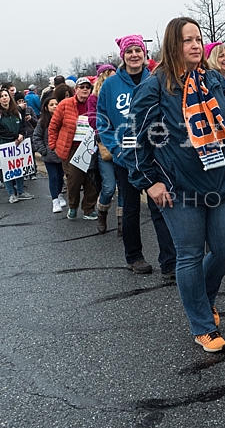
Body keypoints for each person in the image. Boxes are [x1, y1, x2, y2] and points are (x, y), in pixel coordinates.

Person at [126, 17, 225, 352]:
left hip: (220, 179)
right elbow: (135, 140)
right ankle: (202, 325)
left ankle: (201, 299)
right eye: (187, 40)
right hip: (177, 188)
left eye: (198, 39)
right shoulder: (153, 87)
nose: (195, 45)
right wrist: (149, 182)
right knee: (190, 254)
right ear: (172, 45)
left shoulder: (214, 80)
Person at [98, 35, 177, 277]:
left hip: (154, 154)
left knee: (160, 206)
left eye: (138, 50)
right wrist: (115, 148)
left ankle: (170, 262)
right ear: (123, 56)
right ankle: (134, 256)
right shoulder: (111, 86)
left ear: (145, 54)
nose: (134, 55)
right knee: (130, 208)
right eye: (129, 51)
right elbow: (103, 120)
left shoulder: (157, 80)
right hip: (125, 157)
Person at [48, 76, 98, 220]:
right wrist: (53, 146)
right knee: (74, 179)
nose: (85, 90)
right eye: (81, 87)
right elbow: (53, 127)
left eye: (87, 87)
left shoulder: (94, 103)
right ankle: (73, 205)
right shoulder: (65, 104)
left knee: (92, 180)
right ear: (75, 89)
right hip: (72, 148)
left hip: (91, 148)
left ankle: (88, 209)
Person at [86, 64, 120, 236]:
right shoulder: (94, 98)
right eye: (110, 75)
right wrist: (107, 127)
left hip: (123, 142)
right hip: (105, 144)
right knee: (109, 187)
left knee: (124, 186)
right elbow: (93, 121)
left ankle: (122, 221)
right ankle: (102, 213)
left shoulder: (120, 94)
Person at [0, 88, 34, 204]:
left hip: (18, 144)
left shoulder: (17, 111)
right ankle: (11, 193)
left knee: (18, 168)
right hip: (4, 145)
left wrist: (21, 135)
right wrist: (14, 136)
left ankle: (21, 192)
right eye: (2, 96)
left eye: (6, 95)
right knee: (7, 170)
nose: (5, 98)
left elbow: (23, 125)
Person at [33, 94, 67, 213]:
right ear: (46, 107)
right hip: (49, 155)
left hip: (62, 154)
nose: (54, 106)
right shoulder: (42, 122)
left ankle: (59, 195)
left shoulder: (64, 119)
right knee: (53, 177)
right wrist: (43, 150)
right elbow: (36, 137)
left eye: (56, 104)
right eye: (51, 105)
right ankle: (55, 200)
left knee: (60, 177)